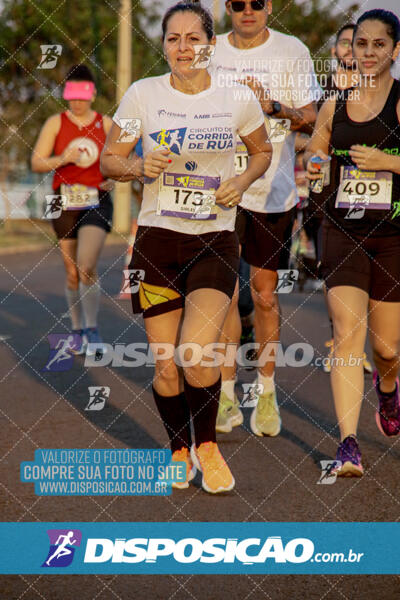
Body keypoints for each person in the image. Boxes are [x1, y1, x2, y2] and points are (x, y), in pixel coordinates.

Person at [100, 1, 271, 493]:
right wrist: (138, 168)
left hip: (215, 239)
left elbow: (262, 150)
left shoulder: (236, 99)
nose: (183, 48)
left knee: (197, 354)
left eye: (193, 38)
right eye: (173, 39)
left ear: (210, 44)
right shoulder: (142, 95)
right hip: (157, 241)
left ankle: (208, 445)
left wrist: (242, 178)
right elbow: (111, 160)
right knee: (165, 364)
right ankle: (178, 447)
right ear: (164, 46)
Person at [211, 0, 321, 436]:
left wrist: (274, 108)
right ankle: (224, 394)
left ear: (269, 6)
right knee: (221, 293)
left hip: (271, 192)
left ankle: (268, 390)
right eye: (238, 4)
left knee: (264, 295)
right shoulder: (210, 50)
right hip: (219, 190)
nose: (247, 10)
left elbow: (312, 118)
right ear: (226, 8)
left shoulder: (291, 51)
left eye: (256, 2)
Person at [304, 9, 400, 476]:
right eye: (361, 44)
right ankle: (347, 444)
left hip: (393, 235)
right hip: (342, 229)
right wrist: (317, 161)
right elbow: (315, 148)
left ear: (395, 51)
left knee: (387, 348)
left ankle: (388, 385)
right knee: (346, 333)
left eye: (378, 45)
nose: (368, 52)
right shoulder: (335, 103)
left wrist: (388, 161)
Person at [31, 64, 113, 355]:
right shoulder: (56, 123)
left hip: (96, 200)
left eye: (82, 96)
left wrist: (113, 179)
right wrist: (63, 158)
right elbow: (37, 162)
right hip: (62, 200)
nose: (76, 103)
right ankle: (77, 329)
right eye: (71, 97)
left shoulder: (106, 124)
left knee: (86, 265)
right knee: (71, 272)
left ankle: (92, 327)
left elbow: (121, 159)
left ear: (92, 95)